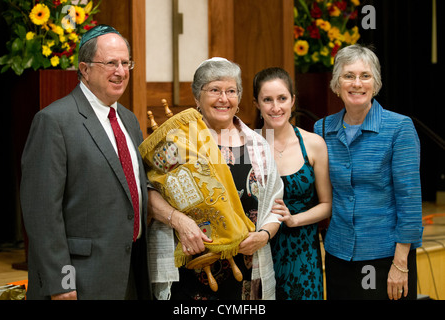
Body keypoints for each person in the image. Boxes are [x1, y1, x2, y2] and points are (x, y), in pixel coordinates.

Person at [20, 25, 152, 300]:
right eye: (111, 63)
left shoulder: (128, 120)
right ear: (85, 69)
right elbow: (42, 213)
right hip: (80, 281)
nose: (121, 71)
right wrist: (61, 282)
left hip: (131, 274)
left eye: (126, 63)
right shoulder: (54, 121)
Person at [147, 58, 285, 300]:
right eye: (214, 90)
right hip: (191, 268)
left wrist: (263, 236)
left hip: (246, 266)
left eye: (231, 91)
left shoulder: (258, 145)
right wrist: (179, 221)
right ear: (197, 97)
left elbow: (275, 205)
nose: (224, 99)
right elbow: (148, 191)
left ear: (239, 98)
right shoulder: (178, 142)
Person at [313, 44, 423, 300]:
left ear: (375, 84)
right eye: (348, 76)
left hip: (386, 256)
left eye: (365, 76)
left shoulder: (399, 127)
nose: (356, 83)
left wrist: (400, 263)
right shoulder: (322, 129)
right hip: (339, 255)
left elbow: (409, 201)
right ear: (337, 85)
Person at [253, 67, 332, 300]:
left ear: (293, 100)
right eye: (267, 100)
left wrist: (294, 219)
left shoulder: (314, 144)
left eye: (282, 98)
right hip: (260, 251)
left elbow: (327, 204)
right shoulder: (247, 146)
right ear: (257, 103)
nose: (275, 107)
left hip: (303, 253)